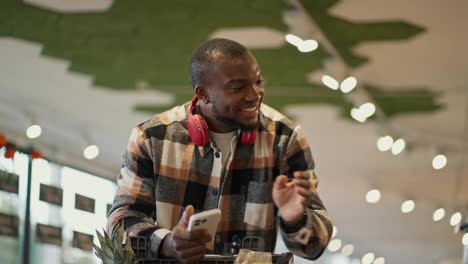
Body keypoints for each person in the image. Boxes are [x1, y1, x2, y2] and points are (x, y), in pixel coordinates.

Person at [107, 38, 333, 263]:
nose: (254, 95)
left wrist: (295, 219)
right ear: (203, 93)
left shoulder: (285, 139)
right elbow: (120, 222)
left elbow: (314, 247)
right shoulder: (152, 137)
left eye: (258, 82)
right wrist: (167, 243)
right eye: (237, 87)